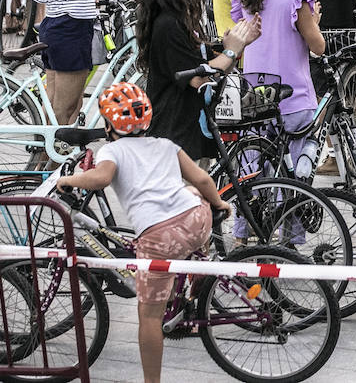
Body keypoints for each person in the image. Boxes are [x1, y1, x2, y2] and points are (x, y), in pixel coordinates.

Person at [56, 78, 233, 383]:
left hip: (160, 236)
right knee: (192, 196)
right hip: (196, 219)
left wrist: (69, 181)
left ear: (110, 125)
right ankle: (197, 280)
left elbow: (100, 179)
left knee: (149, 316)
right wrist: (219, 204)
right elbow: (203, 180)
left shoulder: (111, 152)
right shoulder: (166, 145)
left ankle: (152, 381)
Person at [136, 0, 260, 161]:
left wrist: (239, 46)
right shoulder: (168, 24)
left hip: (191, 130)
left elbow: (215, 70)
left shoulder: (182, 20)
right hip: (174, 135)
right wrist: (231, 51)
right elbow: (199, 77)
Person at [231, 0, 325, 179]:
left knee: (256, 177)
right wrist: (314, 21)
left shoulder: (246, 0)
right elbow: (319, 47)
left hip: (256, 100)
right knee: (295, 184)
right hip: (292, 100)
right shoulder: (296, 3)